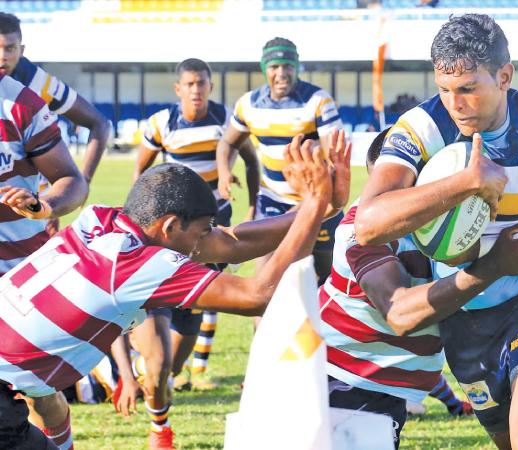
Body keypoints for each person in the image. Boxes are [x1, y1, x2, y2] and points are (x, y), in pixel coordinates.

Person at [0, 131, 349, 450]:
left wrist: (320, 210)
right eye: (200, 233)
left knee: (48, 400)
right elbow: (258, 295)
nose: (203, 243)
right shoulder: (137, 265)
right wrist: (315, 203)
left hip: (11, 382)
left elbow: (230, 242)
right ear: (169, 227)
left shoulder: (100, 220)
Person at [354, 14, 518, 449]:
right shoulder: (420, 129)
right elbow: (368, 224)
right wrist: (465, 183)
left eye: (467, 88)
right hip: (462, 309)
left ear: (504, 77)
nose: (454, 103)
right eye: (444, 90)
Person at [322, 129, 518, 447]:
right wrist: (495, 266)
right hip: (340, 380)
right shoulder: (359, 232)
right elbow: (400, 312)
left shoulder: (450, 220)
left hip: (383, 387)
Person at [128, 58, 260, 402]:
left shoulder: (225, 120)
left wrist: (251, 205)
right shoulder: (161, 123)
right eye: (189, 84)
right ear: (178, 89)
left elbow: (249, 158)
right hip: (171, 226)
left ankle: (183, 370)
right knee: (162, 294)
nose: (196, 90)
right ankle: (153, 361)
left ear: (210, 87)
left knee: (204, 297)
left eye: (201, 83)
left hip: (211, 221)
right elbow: (140, 170)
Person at [0, 70, 88, 450]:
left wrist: (44, 205)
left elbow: (72, 179)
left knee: (41, 393)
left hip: (20, 278)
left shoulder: (21, 104)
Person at [217, 37, 344, 299]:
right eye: (274, 66)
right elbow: (228, 143)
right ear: (265, 69)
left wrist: (321, 194)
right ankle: (261, 339)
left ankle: (321, 338)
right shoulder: (249, 104)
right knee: (264, 287)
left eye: (288, 65)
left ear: (296, 66)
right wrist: (224, 172)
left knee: (327, 287)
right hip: (272, 202)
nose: (282, 73)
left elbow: (336, 154)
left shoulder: (318, 100)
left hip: (316, 205)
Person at [0, 12, 109, 191]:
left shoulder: (39, 83)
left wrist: (83, 181)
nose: (2, 56)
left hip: (31, 200)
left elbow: (99, 123)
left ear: (22, 50)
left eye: (10, 48)